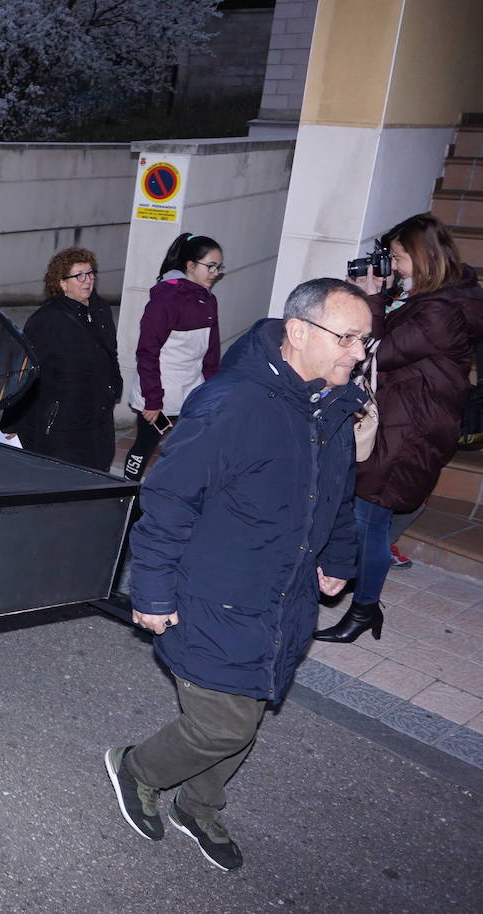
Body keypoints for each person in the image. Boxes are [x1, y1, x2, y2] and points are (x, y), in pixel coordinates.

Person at [104, 278, 371, 872]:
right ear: (298, 333)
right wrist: (150, 587)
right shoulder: (233, 403)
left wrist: (339, 558)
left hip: (284, 595)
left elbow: (337, 493)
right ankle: (137, 767)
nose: (357, 353)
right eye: (347, 338)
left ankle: (198, 804)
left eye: (363, 342)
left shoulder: (329, 403)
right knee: (222, 722)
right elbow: (168, 496)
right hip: (217, 595)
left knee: (250, 707)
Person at [316, 214, 483, 643]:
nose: (393, 264)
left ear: (423, 256)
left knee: (370, 517)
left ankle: (364, 609)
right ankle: (355, 593)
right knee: (368, 513)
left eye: (397, 256)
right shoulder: (437, 297)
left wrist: (372, 299)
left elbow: (378, 353)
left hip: (409, 431)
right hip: (405, 422)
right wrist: (387, 296)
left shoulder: (442, 311)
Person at [0, 247, 121, 470]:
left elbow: (110, 353)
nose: (87, 281)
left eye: (91, 273)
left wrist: (115, 387)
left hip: (99, 419)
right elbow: (25, 374)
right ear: (62, 283)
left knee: (97, 476)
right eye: (79, 276)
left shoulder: (101, 310)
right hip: (65, 424)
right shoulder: (46, 321)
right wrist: (12, 424)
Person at [122, 232, 223, 480]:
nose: (215, 272)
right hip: (159, 392)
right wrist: (153, 400)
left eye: (218, 267)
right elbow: (147, 352)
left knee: (186, 450)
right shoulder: (166, 300)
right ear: (190, 265)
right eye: (210, 266)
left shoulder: (208, 300)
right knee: (145, 447)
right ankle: (124, 495)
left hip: (192, 390)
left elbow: (211, 352)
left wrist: (212, 391)